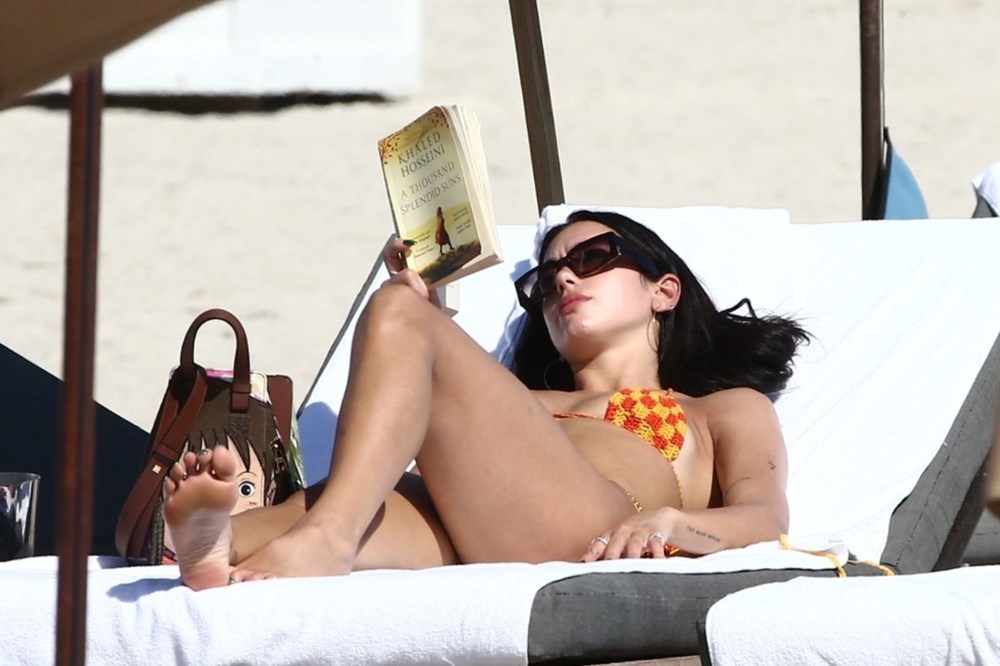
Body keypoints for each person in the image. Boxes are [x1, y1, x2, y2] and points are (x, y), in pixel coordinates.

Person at [163, 209, 809, 590]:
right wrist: (427, 305)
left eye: (592, 258)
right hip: (465, 525)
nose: (563, 277)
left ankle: (326, 538)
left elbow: (765, 517)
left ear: (664, 291)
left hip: (596, 525)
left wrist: (673, 526)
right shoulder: (526, 397)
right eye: (545, 280)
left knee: (396, 314)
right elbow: (460, 411)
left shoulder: (719, 408)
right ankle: (217, 543)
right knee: (353, 498)